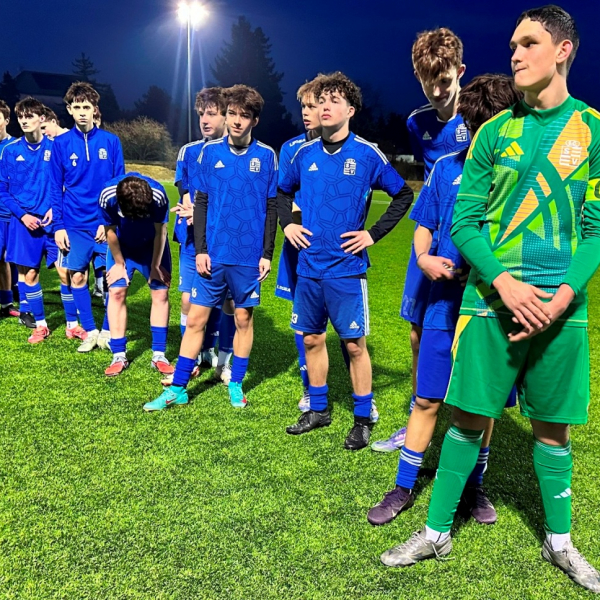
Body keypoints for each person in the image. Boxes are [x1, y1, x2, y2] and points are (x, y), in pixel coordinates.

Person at [380, 6, 600, 593]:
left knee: (553, 430)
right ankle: (436, 531)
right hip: (489, 303)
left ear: (563, 50)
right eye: (512, 45)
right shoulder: (494, 133)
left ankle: (561, 543)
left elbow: (596, 227)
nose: (515, 54)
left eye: (529, 43)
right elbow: (466, 222)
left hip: (562, 312)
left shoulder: (593, 130)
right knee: (468, 419)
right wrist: (504, 283)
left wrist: (561, 297)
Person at [367, 74, 523, 529]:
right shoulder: (447, 168)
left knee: (480, 404)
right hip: (442, 305)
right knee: (427, 399)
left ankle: (475, 486)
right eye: (472, 125)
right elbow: (425, 225)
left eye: (488, 124)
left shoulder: (520, 174)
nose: (479, 134)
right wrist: (424, 258)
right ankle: (402, 486)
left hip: (492, 309)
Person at [279, 72, 414, 450]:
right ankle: (318, 409)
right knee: (311, 338)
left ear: (351, 110)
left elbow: (403, 195)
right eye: (321, 100)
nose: (325, 106)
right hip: (309, 267)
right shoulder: (303, 154)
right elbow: (281, 192)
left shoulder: (367, 154)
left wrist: (372, 234)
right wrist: (288, 224)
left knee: (354, 345)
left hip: (347, 270)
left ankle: (362, 417)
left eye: (334, 100)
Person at [143, 84, 278, 411]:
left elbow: (272, 207)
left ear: (255, 120)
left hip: (247, 258)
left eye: (244, 115)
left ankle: (235, 382)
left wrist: (266, 254)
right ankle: (178, 388)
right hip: (213, 255)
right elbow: (200, 203)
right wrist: (201, 249)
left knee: (243, 319)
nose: (236, 120)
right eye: (231, 113)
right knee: (195, 320)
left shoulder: (266, 156)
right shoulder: (208, 153)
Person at [374, 28, 470, 452]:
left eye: (445, 80)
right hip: (429, 236)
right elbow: (432, 180)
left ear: (460, 71)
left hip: (470, 237)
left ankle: (467, 424)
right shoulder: (417, 123)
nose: (437, 90)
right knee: (417, 333)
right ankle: (419, 415)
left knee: (470, 333)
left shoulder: (482, 115)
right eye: (428, 81)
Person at [49, 82, 125, 352]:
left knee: (111, 281)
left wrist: (109, 222)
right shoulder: (60, 144)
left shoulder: (111, 142)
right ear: (69, 110)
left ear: (95, 109)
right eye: (77, 107)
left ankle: (107, 331)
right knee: (77, 278)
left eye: (87, 107)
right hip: (74, 224)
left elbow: (119, 186)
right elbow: (55, 187)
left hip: (105, 225)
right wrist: (58, 226)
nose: (82, 112)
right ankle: (90, 331)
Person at [169, 86, 236, 385]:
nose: (205, 120)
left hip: (225, 241)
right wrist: (189, 209)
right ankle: (194, 355)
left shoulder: (237, 153)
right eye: (201, 114)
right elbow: (184, 192)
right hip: (191, 239)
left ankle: (222, 359)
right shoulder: (189, 151)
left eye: (211, 114)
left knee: (226, 303)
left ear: (226, 116)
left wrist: (201, 214)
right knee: (188, 301)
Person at [99, 173, 173, 376]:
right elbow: (110, 230)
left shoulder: (158, 195)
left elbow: (161, 231)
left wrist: (155, 265)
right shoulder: (107, 195)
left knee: (160, 293)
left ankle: (159, 355)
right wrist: (119, 263)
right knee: (116, 292)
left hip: (151, 246)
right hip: (122, 246)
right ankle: (118, 355)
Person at [0, 97, 56, 343]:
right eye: (21, 117)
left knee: (68, 273)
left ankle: (76, 325)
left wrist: (55, 208)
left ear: (41, 119)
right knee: (28, 272)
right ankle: (37, 321)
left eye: (29, 116)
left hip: (53, 221)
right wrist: (23, 215)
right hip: (23, 222)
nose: (24, 121)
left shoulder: (56, 148)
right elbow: (3, 190)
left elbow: (65, 183)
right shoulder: (11, 151)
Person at [0, 99, 19, 320]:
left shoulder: (15, 147)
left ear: (6, 120)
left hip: (9, 213)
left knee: (7, 258)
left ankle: (7, 302)